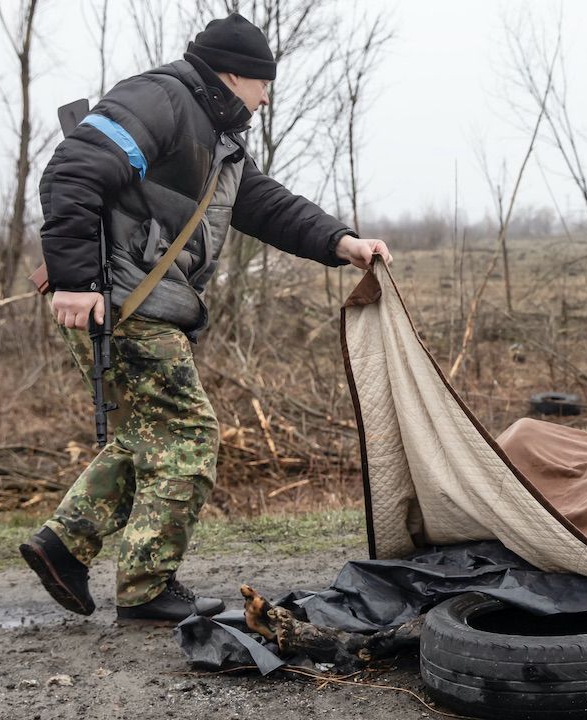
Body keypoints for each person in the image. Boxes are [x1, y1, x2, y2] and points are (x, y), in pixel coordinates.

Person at [19, 12, 392, 624]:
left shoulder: (219, 137)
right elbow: (73, 169)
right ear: (233, 74)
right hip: (120, 302)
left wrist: (340, 242)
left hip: (140, 303)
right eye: (263, 84)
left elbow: (265, 205)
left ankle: (63, 547)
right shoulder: (162, 98)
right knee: (188, 433)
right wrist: (75, 282)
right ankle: (145, 587)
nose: (266, 98)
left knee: (152, 435)